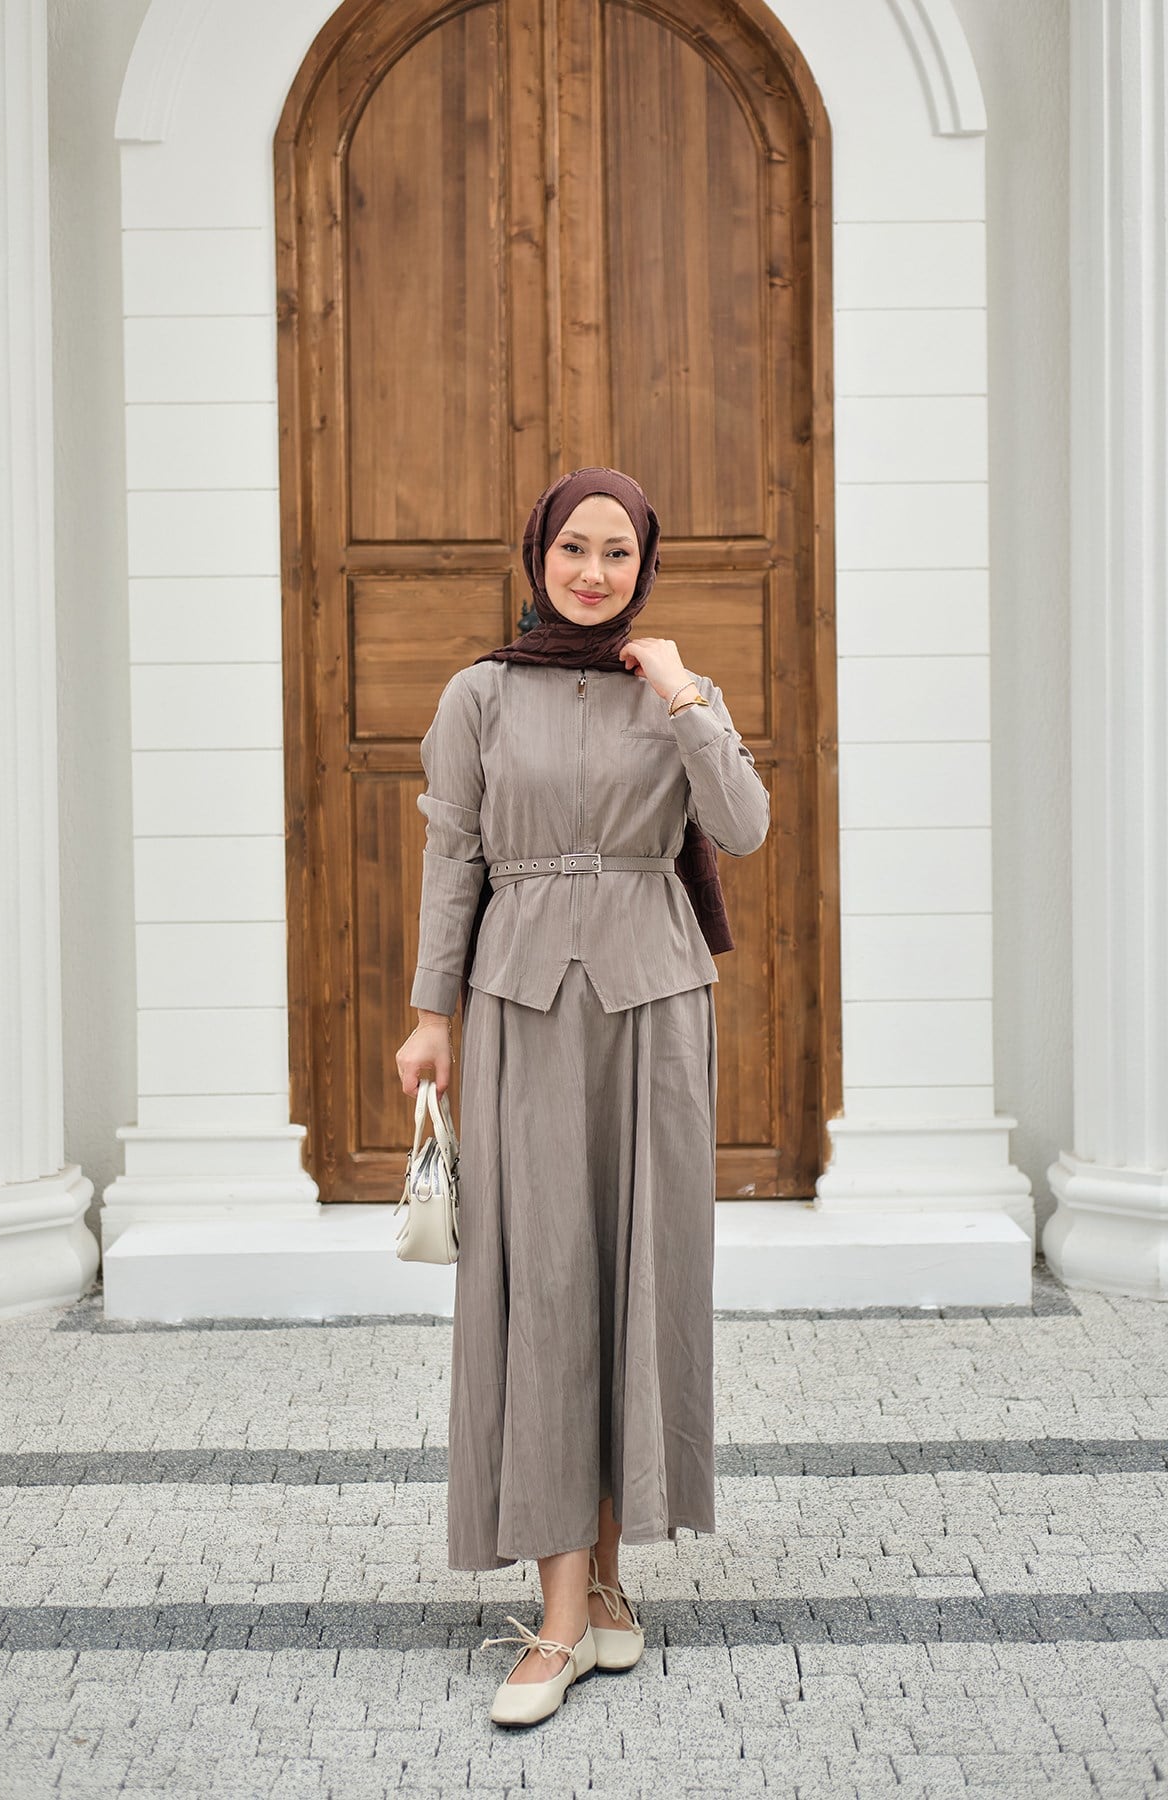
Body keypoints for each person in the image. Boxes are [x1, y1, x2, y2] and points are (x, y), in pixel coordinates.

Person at [395, 467, 770, 1726]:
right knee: (548, 1283)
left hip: (656, 1010)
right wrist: (430, 1013)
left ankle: (607, 1585)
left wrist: (684, 695)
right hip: (521, 1005)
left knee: (636, 1279)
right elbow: (454, 853)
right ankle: (560, 1616)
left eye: (618, 552)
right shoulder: (479, 694)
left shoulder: (675, 690)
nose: (593, 572)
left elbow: (744, 825)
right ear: (538, 554)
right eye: (574, 547)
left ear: (645, 567)